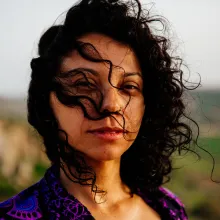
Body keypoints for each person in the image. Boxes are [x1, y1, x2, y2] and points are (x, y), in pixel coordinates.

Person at [0, 0, 195, 219]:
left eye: (129, 87)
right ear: (47, 100)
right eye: (84, 84)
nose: (111, 104)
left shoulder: (168, 207)